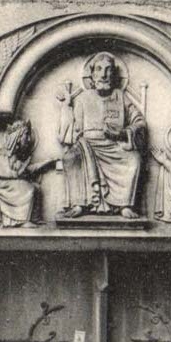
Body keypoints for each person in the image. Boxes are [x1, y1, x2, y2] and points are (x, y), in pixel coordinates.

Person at [57, 52, 145, 218]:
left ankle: (123, 205)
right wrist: (66, 108)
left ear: (114, 74)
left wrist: (123, 133)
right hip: (87, 145)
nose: (104, 74)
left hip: (114, 146)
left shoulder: (120, 96)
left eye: (108, 69)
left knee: (134, 159)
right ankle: (79, 204)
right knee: (70, 158)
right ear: (92, 74)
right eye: (99, 69)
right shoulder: (83, 98)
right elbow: (74, 129)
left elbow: (139, 121)